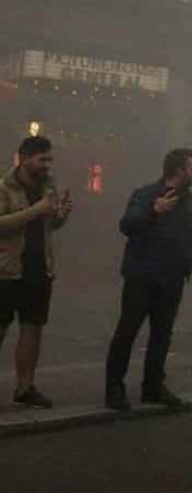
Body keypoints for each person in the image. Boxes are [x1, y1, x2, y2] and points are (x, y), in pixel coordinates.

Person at [104, 148, 192, 411]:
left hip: (172, 279)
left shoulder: (189, 201)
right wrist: (154, 211)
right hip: (142, 277)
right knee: (127, 332)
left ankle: (153, 386)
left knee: (162, 335)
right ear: (179, 170)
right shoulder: (146, 195)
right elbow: (127, 225)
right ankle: (114, 388)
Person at [0, 136, 73, 408]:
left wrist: (60, 215)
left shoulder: (49, 186)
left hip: (39, 268)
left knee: (32, 329)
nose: (47, 165)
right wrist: (35, 210)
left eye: (49, 159)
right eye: (42, 159)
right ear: (25, 158)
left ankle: (25, 387)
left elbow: (49, 226)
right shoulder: (4, 188)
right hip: (6, 271)